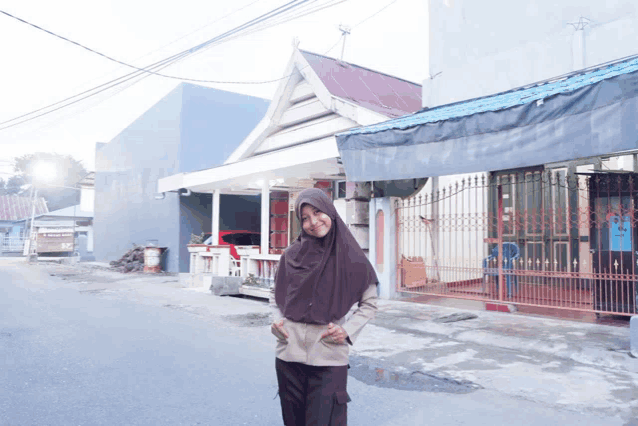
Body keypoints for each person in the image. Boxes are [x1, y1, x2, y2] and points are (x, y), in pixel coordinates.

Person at [269, 188, 378, 426]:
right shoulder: (291, 255)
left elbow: (369, 304)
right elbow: (275, 294)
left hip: (329, 356)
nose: (313, 222)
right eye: (305, 218)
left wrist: (347, 331)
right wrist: (276, 321)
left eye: (317, 212)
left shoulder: (353, 258)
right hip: (289, 355)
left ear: (330, 211)